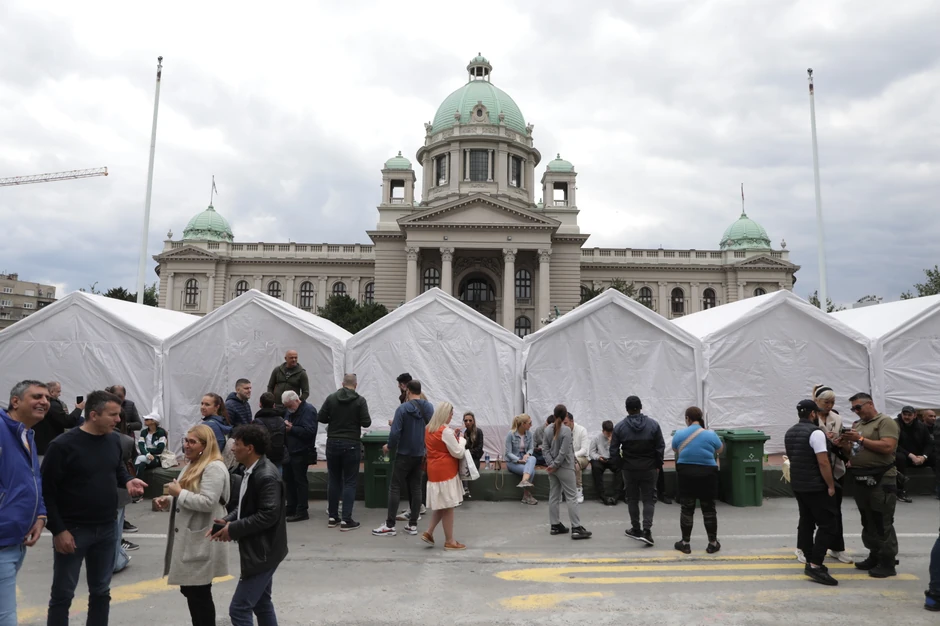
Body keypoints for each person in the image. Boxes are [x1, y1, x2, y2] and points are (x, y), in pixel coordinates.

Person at [41, 389, 147, 625]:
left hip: (107, 529)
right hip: (73, 531)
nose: (119, 420)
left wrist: (128, 480)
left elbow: (116, 468)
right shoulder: (62, 446)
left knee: (101, 591)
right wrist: (59, 530)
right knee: (63, 594)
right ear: (93, 415)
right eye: (113, 415)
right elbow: (47, 491)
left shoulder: (113, 440)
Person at [210, 424, 288, 626]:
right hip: (264, 550)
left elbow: (268, 515)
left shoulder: (265, 475)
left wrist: (233, 529)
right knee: (262, 603)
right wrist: (228, 520)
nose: (233, 448)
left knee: (239, 608)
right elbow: (247, 506)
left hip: (262, 553)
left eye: (237, 444)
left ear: (250, 448)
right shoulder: (251, 470)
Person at [156, 424, 229, 626]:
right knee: (191, 589)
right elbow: (190, 494)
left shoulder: (213, 467)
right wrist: (169, 500)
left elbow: (207, 502)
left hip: (201, 537)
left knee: (198, 592)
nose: (187, 445)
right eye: (185, 441)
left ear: (204, 446)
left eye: (192, 442)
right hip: (192, 537)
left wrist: (178, 493)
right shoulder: (194, 463)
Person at [0, 381, 49, 626]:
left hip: (16, 541)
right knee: (6, 617)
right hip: (2, 540)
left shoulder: (26, 433)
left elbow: (33, 479)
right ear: (15, 401)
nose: (45, 401)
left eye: (47, 397)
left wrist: (40, 516)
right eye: (37, 396)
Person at [839, 392, 900, 578]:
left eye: (858, 407)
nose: (856, 411)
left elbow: (888, 447)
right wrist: (843, 443)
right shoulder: (858, 425)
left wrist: (860, 439)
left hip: (881, 478)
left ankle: (888, 561)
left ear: (870, 404)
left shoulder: (885, 422)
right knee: (868, 519)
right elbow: (853, 452)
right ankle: (875, 555)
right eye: (853, 409)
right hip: (861, 478)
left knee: (882, 520)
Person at [785, 399, 839, 586]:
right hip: (816, 486)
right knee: (828, 524)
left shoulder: (790, 432)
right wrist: (830, 485)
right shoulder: (816, 433)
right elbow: (823, 462)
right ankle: (815, 564)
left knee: (807, 522)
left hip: (799, 485)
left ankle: (809, 559)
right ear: (813, 414)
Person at [373, 379, 433, 537]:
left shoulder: (402, 409)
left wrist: (388, 446)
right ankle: (412, 524)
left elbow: (395, 433)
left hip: (404, 453)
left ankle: (390, 525)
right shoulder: (429, 407)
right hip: (420, 453)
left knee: (395, 487)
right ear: (420, 391)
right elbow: (432, 428)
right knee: (416, 487)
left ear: (408, 391)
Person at [804, 384, 852, 564]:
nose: (830, 405)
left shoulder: (836, 418)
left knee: (835, 512)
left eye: (832, 402)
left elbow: (844, 445)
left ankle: (837, 548)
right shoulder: (810, 418)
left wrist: (841, 442)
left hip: (835, 469)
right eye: (826, 402)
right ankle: (804, 548)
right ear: (817, 401)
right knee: (809, 514)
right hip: (815, 471)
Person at [610, 395, 664, 547]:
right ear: (641, 407)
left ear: (627, 409)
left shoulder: (620, 427)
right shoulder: (653, 425)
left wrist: (621, 464)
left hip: (629, 468)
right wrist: (657, 464)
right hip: (649, 467)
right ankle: (647, 531)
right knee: (648, 499)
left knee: (632, 498)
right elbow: (660, 447)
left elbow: (613, 450)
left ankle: (636, 528)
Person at [319, 374, 372, 529]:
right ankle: (346, 519)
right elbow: (366, 422)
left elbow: (321, 417)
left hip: (332, 442)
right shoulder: (360, 400)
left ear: (342, 384)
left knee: (334, 479)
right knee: (349, 481)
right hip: (351, 443)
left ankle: (332, 517)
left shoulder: (331, 398)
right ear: (356, 384)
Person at [672, 407, 722, 555]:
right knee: (709, 509)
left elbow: (675, 449)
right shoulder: (710, 434)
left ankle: (685, 543)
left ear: (687, 418)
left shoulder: (679, 434)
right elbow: (720, 450)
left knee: (687, 509)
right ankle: (712, 543)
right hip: (707, 474)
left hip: (686, 473)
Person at [420, 402, 468, 549]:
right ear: (446, 414)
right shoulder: (445, 431)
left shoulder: (428, 429)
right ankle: (450, 541)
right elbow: (458, 452)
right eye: (451, 414)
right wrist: (462, 440)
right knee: (448, 506)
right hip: (447, 471)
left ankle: (429, 532)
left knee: (441, 505)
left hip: (433, 470)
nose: (452, 416)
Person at [544, 404, 592, 540]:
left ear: (554, 416)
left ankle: (554, 525)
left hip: (553, 469)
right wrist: (556, 464)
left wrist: (551, 465)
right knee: (571, 497)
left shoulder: (547, 429)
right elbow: (564, 452)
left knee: (554, 496)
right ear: (565, 416)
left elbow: (545, 449)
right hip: (565, 467)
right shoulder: (566, 431)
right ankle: (576, 528)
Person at [281, 390, 318, 523]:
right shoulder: (290, 411)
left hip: (301, 451)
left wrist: (292, 429)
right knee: (289, 480)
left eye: (290, 406)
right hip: (290, 451)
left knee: (299, 481)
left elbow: (310, 431)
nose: (289, 409)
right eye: (287, 407)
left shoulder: (308, 410)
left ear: (297, 400)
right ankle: (291, 506)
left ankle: (302, 510)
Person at [33, 381, 83, 456]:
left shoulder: (45, 404)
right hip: (46, 446)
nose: (60, 394)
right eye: (58, 391)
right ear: (52, 392)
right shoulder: (53, 405)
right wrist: (78, 409)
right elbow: (67, 422)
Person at [895, 405, 932, 503]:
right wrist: (910, 455)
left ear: (915, 415)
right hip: (904, 456)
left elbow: (929, 444)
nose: (906, 417)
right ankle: (900, 491)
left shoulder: (921, 426)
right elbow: (895, 444)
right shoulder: (895, 424)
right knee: (899, 458)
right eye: (904, 414)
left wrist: (924, 456)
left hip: (919, 457)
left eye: (909, 415)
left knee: (935, 457)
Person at [504, 414, 538, 505]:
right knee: (532, 471)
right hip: (513, 461)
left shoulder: (529, 434)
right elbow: (508, 453)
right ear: (523, 424)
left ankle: (524, 481)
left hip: (525, 458)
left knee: (533, 457)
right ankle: (527, 495)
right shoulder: (511, 434)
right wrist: (518, 460)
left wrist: (527, 454)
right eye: (530, 423)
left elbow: (531, 448)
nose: (531, 425)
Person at [589, 420, 623, 505]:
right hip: (601, 459)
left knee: (621, 468)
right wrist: (598, 457)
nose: (609, 435)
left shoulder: (615, 437)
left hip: (612, 458)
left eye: (610, 432)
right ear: (603, 431)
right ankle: (602, 495)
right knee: (596, 468)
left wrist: (613, 443)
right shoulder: (596, 438)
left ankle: (617, 495)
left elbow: (620, 450)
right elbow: (591, 452)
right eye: (607, 433)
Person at [252, 392, 286, 468]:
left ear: (260, 404)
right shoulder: (281, 420)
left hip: (264, 456)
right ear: (274, 405)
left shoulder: (257, 421)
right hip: (279, 455)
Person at [458, 411, 484, 497]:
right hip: (464, 458)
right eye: (466, 421)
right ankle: (465, 489)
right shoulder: (462, 433)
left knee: (466, 464)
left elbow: (479, 448)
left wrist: (468, 453)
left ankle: (465, 488)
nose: (468, 422)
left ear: (473, 421)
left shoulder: (478, 432)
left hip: (474, 458)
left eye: (470, 420)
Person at [568, 412, 590, 504]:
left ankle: (579, 490)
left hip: (582, 458)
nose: (563, 425)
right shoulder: (562, 431)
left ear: (572, 421)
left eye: (565, 423)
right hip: (567, 457)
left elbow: (584, 450)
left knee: (575, 464)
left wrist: (572, 456)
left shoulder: (582, 430)